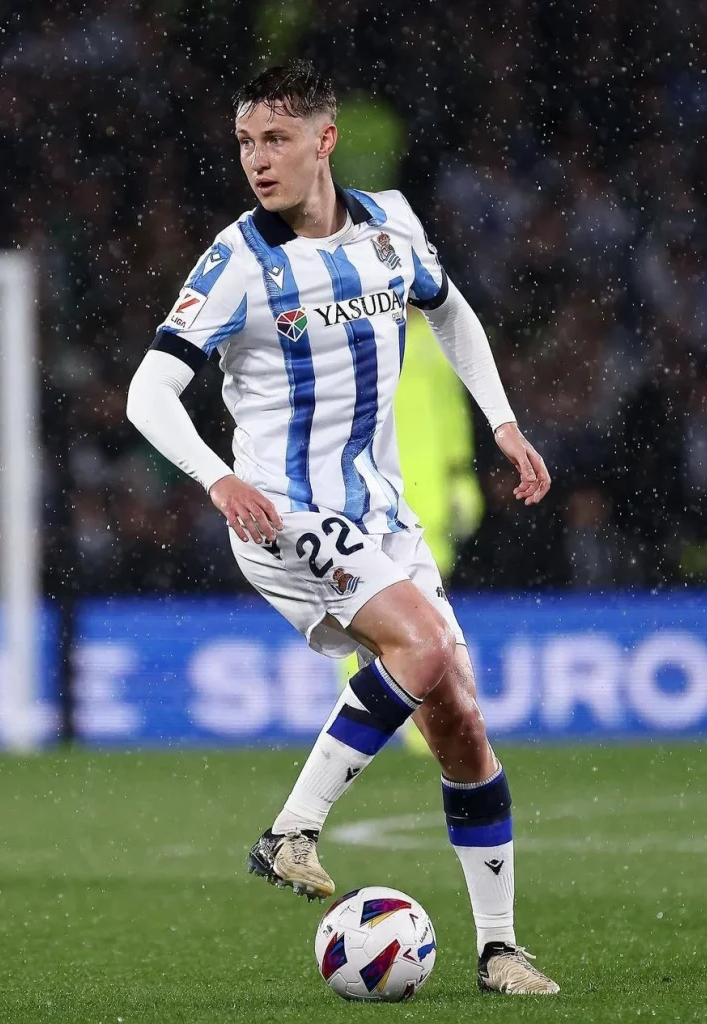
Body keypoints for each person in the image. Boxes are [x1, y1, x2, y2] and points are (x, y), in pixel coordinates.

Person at [126, 60, 556, 996]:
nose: (257, 159)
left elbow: (452, 312)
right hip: (282, 509)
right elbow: (147, 392)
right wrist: (216, 478)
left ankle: (498, 950)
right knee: (423, 647)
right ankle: (292, 830)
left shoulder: (391, 229)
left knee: (461, 721)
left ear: (325, 141)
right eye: (245, 142)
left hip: (381, 515)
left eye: (276, 139)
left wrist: (502, 421)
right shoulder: (238, 261)